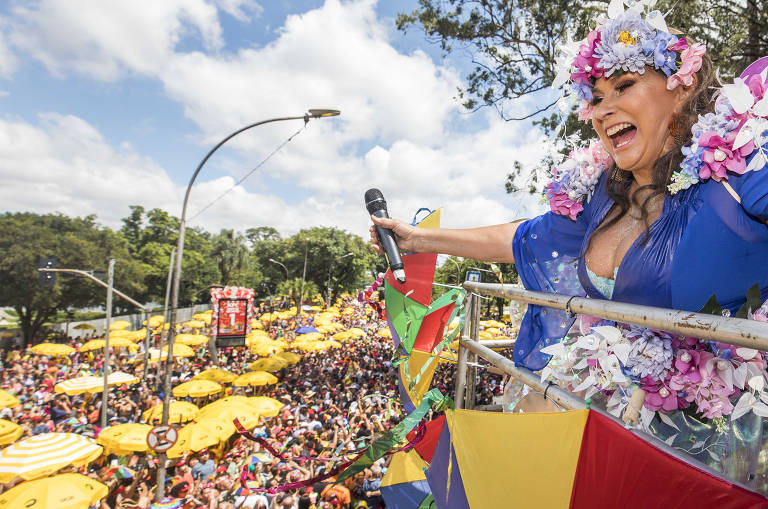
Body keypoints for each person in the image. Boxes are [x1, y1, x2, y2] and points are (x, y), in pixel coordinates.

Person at [370, 8, 768, 372]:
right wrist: (418, 238)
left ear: (682, 87)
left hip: (718, 438)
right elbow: (522, 238)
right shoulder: (600, 197)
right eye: (595, 98)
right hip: (612, 428)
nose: (601, 110)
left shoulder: (738, 169)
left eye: (624, 85)